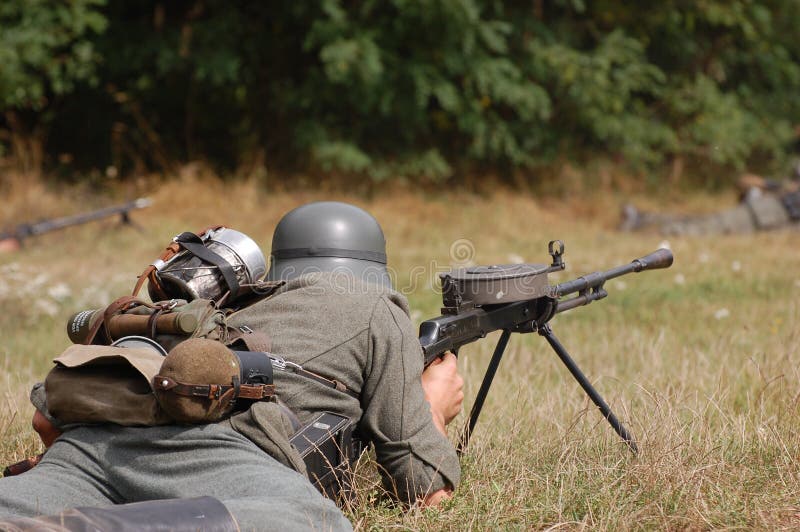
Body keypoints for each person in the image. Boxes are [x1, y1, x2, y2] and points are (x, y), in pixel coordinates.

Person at [0, 201, 463, 530]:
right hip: (214, 450)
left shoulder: (228, 303)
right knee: (316, 521)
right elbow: (425, 492)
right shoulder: (375, 304)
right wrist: (433, 409)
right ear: (373, 268)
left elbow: (45, 420)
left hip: (94, 441)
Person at [619, 172, 800, 236]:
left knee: (703, 227)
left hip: (768, 216)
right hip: (767, 211)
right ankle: (643, 219)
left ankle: (649, 233)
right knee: (701, 220)